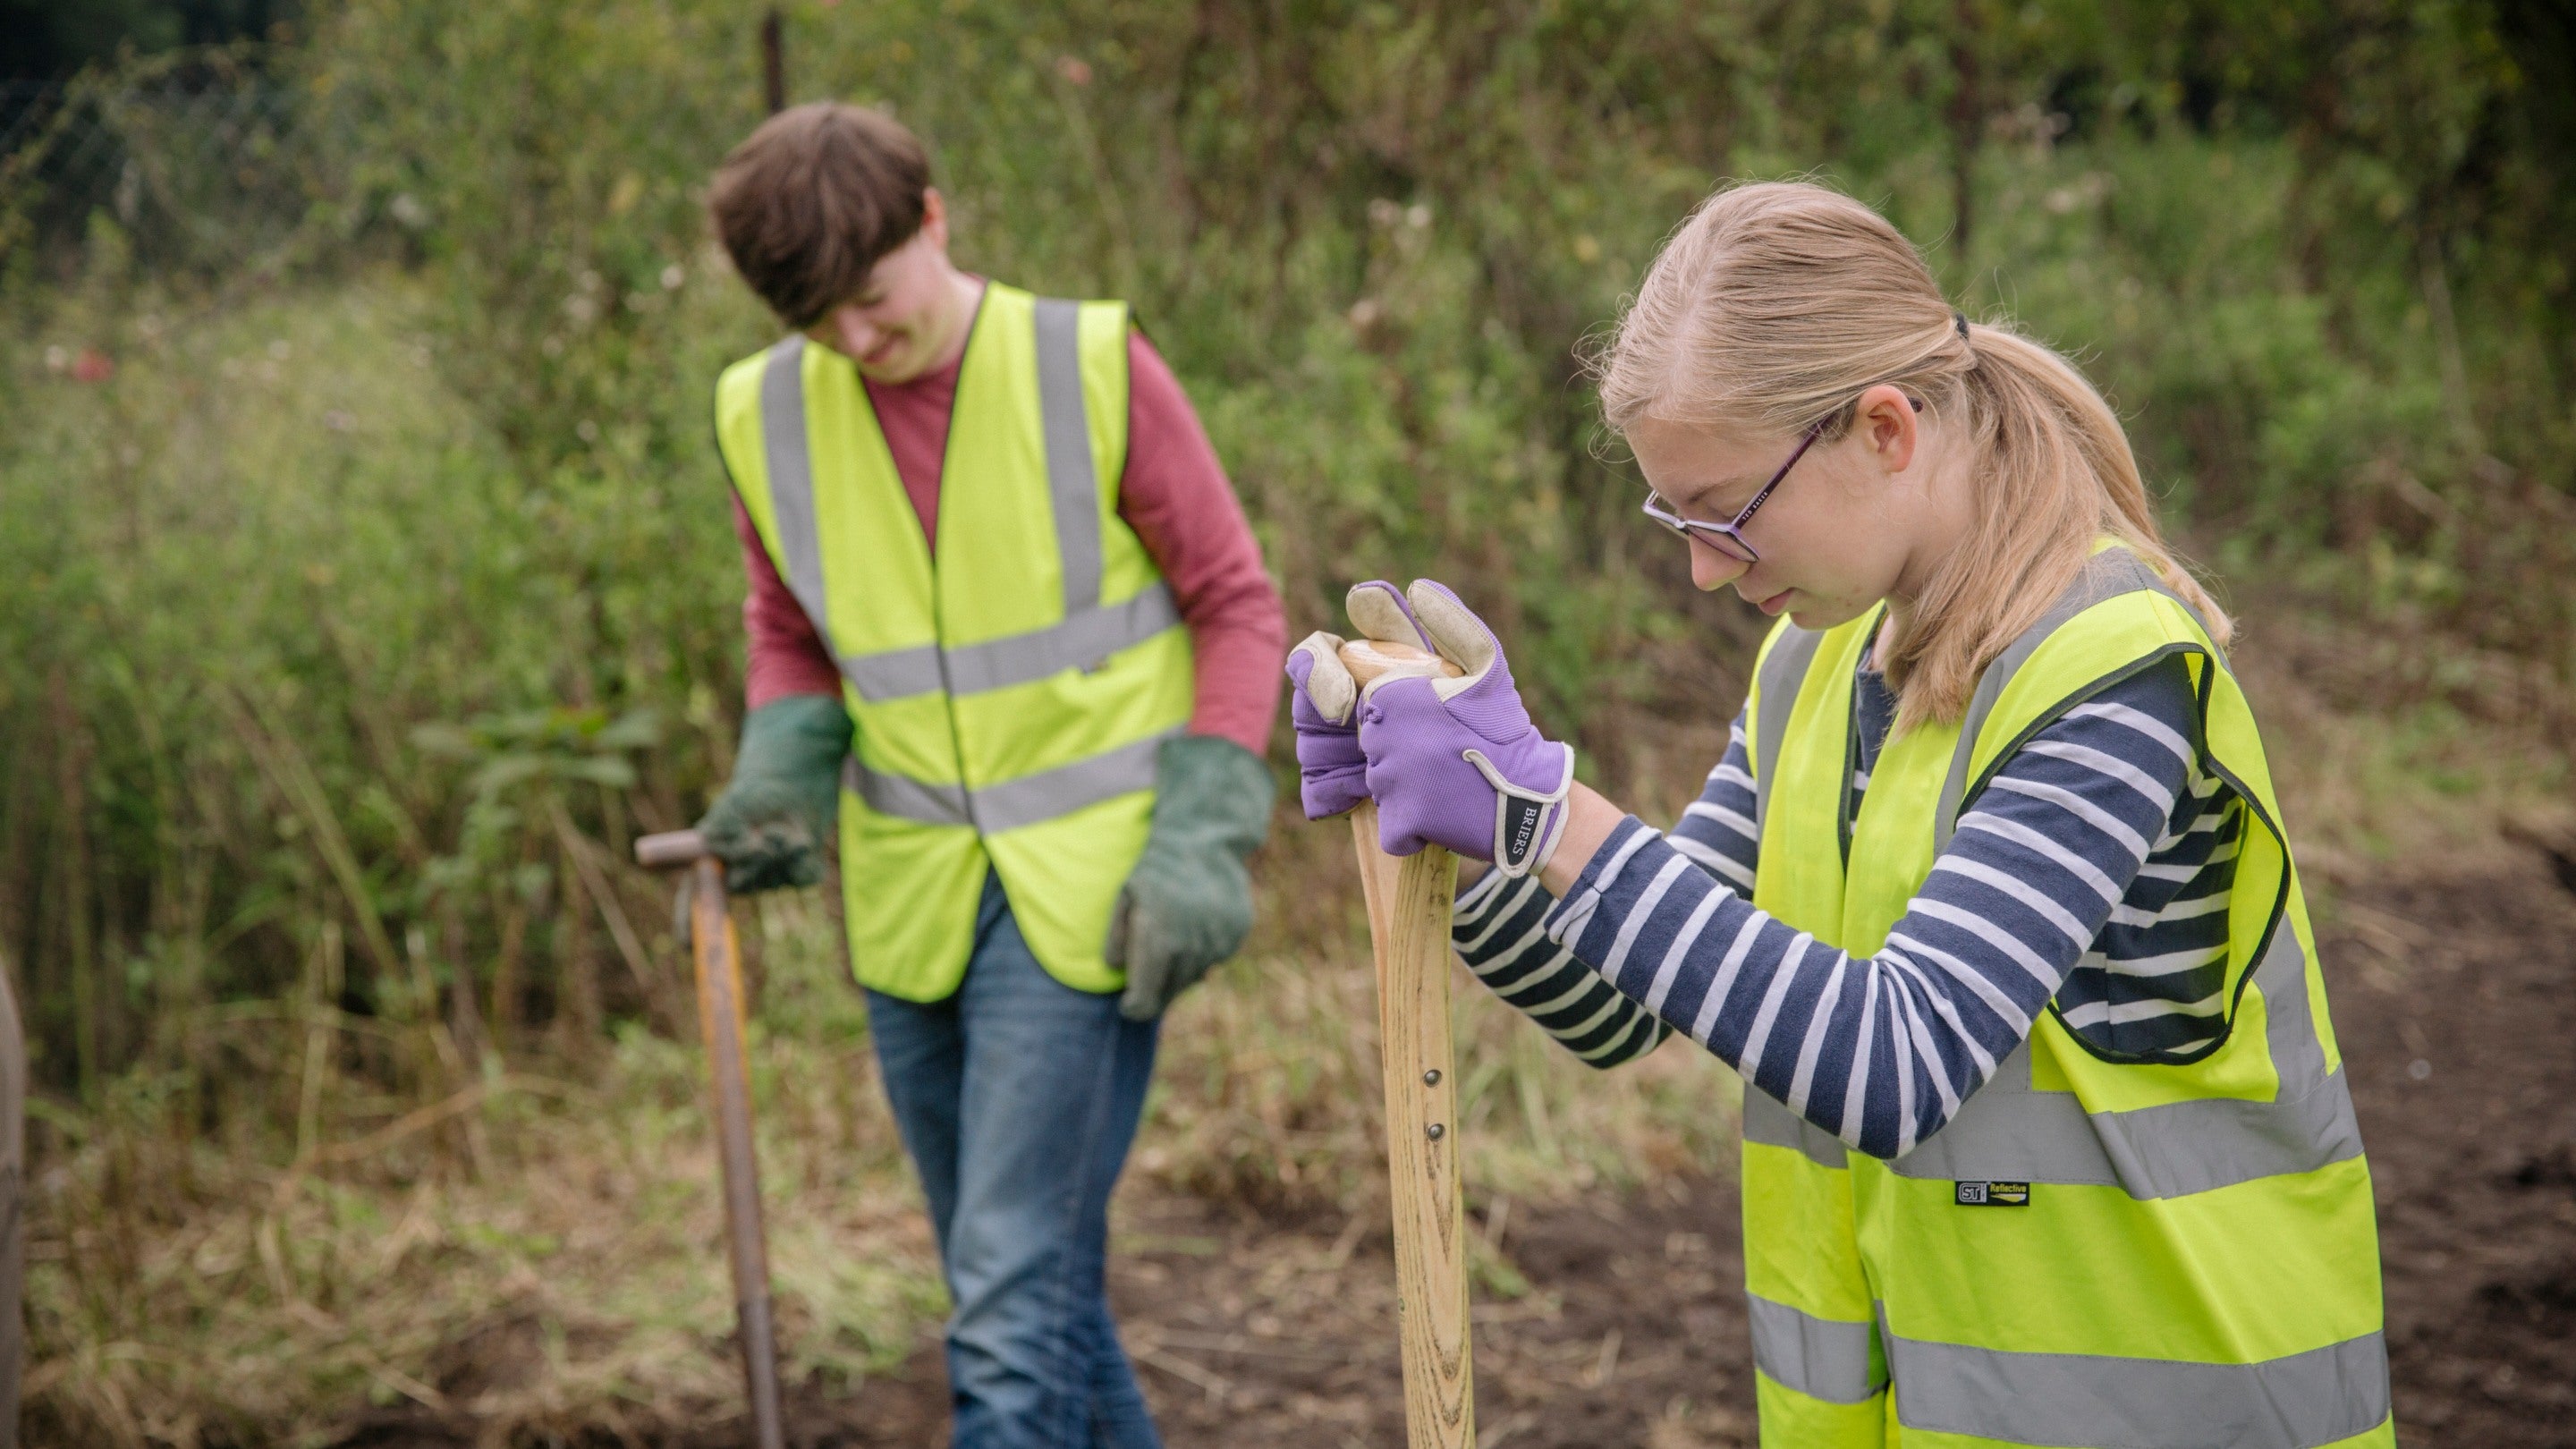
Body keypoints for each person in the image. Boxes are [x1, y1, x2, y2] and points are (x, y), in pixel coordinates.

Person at [1288, 181, 2390, 1447]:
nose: (1703, 566)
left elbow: (1896, 1059)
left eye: (1727, 510)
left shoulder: (2112, 674)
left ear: (1884, 429)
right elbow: (1620, 1006)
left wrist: (1544, 811)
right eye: (1674, 514)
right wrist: (1470, 843)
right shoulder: (1820, 662)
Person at [698, 103, 1286, 1447]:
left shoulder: (1088, 364)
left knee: (1012, 1294)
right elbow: (789, 631)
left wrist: (1205, 835)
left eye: (870, 300)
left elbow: (1236, 604)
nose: (854, 342)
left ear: (933, 219)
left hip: (1085, 899)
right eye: (814, 322)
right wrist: (781, 769)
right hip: (911, 906)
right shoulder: (763, 412)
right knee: (1024, 1287)